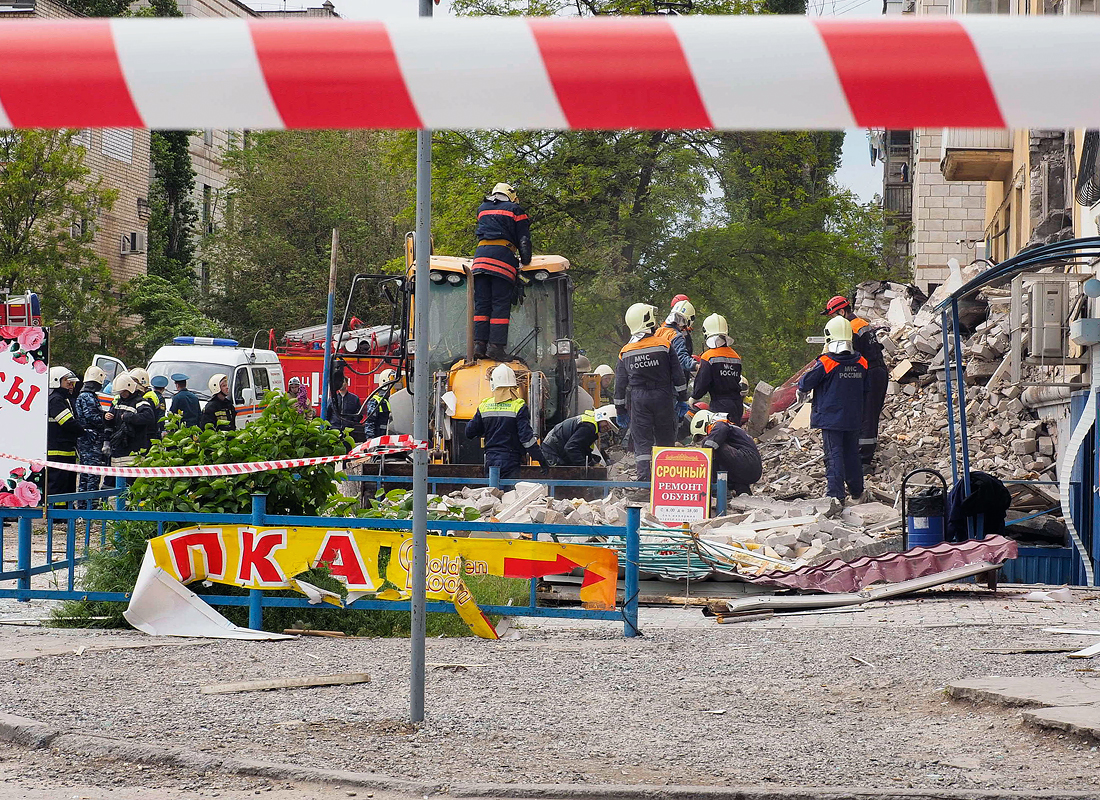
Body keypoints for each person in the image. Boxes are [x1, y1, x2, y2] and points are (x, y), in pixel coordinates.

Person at [797, 316, 869, 505]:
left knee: (834, 455)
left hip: (831, 418)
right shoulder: (862, 362)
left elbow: (805, 382)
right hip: (853, 417)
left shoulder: (828, 362)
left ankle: (835, 495)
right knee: (852, 454)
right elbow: (866, 388)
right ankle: (857, 491)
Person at [615, 303, 689, 480]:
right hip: (663, 396)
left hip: (638, 399)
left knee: (642, 442)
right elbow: (678, 375)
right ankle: (665, 480)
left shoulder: (625, 352)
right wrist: (682, 399)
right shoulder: (664, 345)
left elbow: (620, 385)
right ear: (648, 320)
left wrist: (620, 410)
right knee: (665, 438)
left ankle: (644, 481)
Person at [821, 294, 889, 465]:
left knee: (866, 415)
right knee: (868, 414)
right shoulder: (861, 323)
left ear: (842, 312)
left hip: (871, 373)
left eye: (833, 316)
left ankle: (863, 461)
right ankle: (859, 453)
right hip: (877, 370)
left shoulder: (849, 329)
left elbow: (846, 357)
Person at [471, 182, 532, 362]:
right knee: (500, 304)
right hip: (501, 258)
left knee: (482, 303)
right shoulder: (515, 210)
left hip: (480, 259)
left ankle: (479, 345)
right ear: (511, 195)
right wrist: (526, 260)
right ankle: (496, 347)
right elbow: (523, 239)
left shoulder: (482, 209)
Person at [465, 363, 548, 479]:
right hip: (511, 460)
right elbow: (526, 438)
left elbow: (469, 432)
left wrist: (486, 428)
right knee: (509, 495)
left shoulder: (484, 406)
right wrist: (540, 459)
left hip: (490, 459)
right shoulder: (518, 406)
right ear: (513, 385)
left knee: (492, 494)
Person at [690, 410, 761, 497]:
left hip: (746, 462)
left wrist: (705, 455)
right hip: (751, 471)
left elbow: (719, 431)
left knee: (710, 445)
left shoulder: (721, 424)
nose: (704, 437)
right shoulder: (733, 430)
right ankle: (743, 492)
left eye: (702, 435)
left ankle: (719, 491)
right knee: (722, 461)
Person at [692, 313, 745, 422]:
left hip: (720, 406)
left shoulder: (708, 356)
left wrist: (694, 397)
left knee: (720, 435)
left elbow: (702, 382)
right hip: (737, 405)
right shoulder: (736, 356)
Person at [74, 365, 110, 505]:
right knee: (92, 472)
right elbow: (91, 417)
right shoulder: (88, 397)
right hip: (91, 439)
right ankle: (91, 504)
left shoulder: (84, 396)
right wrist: (105, 418)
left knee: (85, 472)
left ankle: (83, 503)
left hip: (87, 438)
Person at [542, 405, 618, 467]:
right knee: (563, 480)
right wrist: (584, 468)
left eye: (610, 428)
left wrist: (592, 462)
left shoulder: (590, 425)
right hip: (553, 452)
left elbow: (581, 449)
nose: (607, 428)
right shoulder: (588, 427)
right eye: (607, 424)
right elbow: (571, 448)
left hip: (554, 449)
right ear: (602, 416)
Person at [47, 367, 82, 500]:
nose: (71, 386)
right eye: (68, 382)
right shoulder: (55, 400)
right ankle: (57, 514)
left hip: (65, 449)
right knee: (58, 484)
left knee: (67, 484)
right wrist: (83, 432)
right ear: (56, 381)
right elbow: (67, 422)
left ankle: (65, 512)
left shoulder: (63, 399)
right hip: (57, 451)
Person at [106, 372, 157, 465]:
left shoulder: (140, 402)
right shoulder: (119, 403)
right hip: (119, 449)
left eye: (124, 392)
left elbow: (149, 417)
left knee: (130, 478)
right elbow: (113, 419)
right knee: (116, 477)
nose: (122, 394)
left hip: (133, 448)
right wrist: (107, 417)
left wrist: (129, 417)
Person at [653, 297, 697, 374]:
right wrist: (696, 365)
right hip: (670, 376)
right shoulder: (676, 335)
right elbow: (681, 358)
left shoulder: (659, 331)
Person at [326, 375, 364, 441]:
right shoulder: (332, 399)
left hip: (348, 431)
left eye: (342, 382)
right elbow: (328, 414)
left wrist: (352, 423)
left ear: (347, 383)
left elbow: (358, 414)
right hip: (334, 429)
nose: (340, 384)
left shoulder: (354, 399)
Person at [363, 369, 397, 440]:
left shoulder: (395, 399)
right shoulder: (375, 401)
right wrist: (370, 439)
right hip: (379, 439)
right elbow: (369, 422)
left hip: (392, 439)